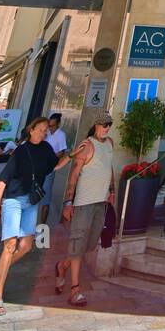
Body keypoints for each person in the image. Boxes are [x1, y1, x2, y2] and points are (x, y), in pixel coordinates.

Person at [0, 117, 70, 316]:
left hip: (31, 202)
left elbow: (55, 166)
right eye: (41, 129)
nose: (44, 133)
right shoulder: (21, 151)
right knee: (10, 245)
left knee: (26, 246)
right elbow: (2, 180)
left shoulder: (46, 149)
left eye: (45, 130)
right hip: (13, 200)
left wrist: (73, 155)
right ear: (31, 130)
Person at [55, 113, 115, 308]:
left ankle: (62, 266)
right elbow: (74, 175)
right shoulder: (87, 146)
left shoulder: (110, 144)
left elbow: (109, 168)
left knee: (88, 245)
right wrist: (68, 202)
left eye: (109, 125)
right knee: (77, 244)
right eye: (104, 125)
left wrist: (112, 190)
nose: (107, 128)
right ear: (96, 125)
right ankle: (75, 290)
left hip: (101, 202)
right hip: (84, 203)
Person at [39, 113, 68, 225]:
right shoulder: (46, 133)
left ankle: (42, 225)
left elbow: (62, 151)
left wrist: (51, 158)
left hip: (49, 168)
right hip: (38, 166)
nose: (50, 128)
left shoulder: (61, 135)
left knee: (45, 198)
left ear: (58, 124)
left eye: (53, 126)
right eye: (49, 125)